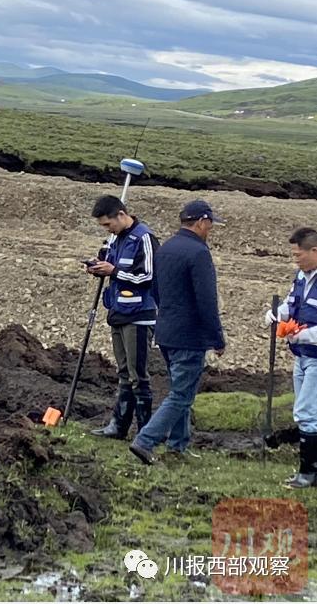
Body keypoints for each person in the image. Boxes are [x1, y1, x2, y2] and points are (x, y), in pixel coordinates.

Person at [129, 199, 226, 464]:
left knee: (179, 389)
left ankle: (178, 445)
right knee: (182, 395)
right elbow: (206, 300)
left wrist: (169, 316)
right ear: (201, 222)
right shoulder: (198, 253)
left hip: (166, 331)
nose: (210, 230)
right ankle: (145, 441)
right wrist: (217, 337)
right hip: (190, 336)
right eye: (210, 224)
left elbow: (156, 290)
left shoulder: (166, 248)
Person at [87, 195, 160, 440]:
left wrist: (115, 271)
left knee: (138, 375)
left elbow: (149, 277)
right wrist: (100, 268)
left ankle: (145, 433)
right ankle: (119, 426)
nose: (107, 230)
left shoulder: (144, 239)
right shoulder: (116, 240)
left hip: (139, 315)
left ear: (121, 214)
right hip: (118, 313)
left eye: (108, 224)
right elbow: (115, 270)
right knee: (124, 372)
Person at [264, 227, 317, 488]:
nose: (295, 259)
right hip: (302, 356)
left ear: (314, 251)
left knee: (307, 412)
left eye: (299, 255)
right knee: (310, 412)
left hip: (316, 357)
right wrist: (278, 314)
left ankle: (308, 472)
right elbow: (291, 304)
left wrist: (301, 335)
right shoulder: (301, 277)